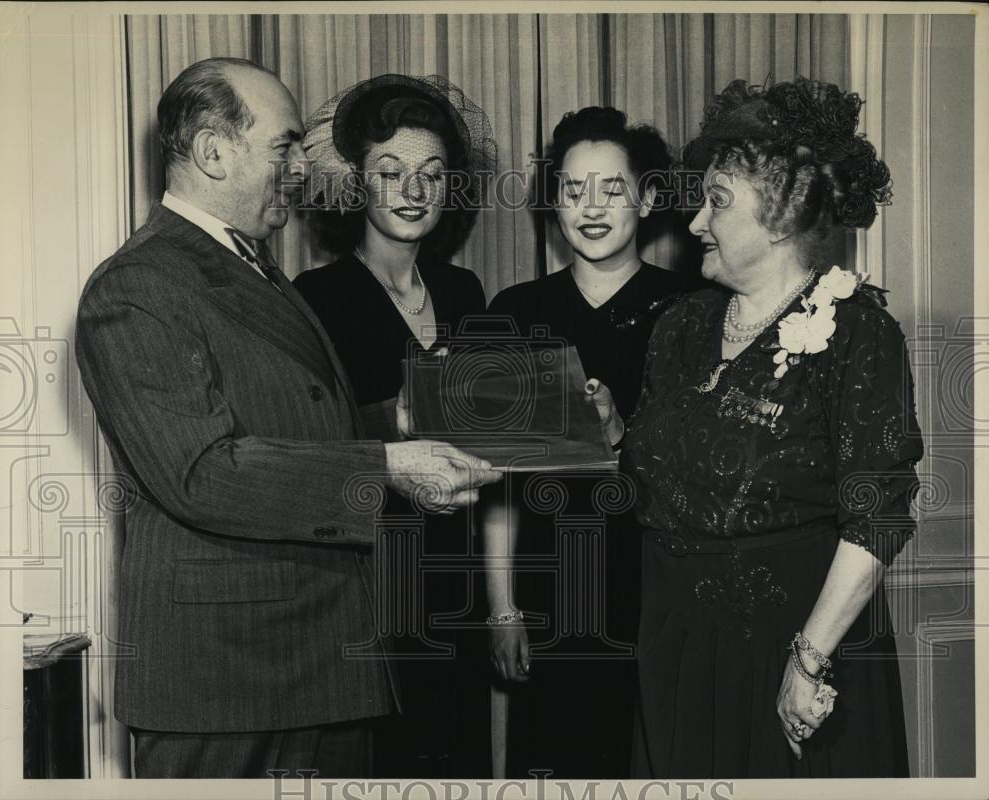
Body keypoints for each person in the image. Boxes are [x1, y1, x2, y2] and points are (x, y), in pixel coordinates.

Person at [74, 57, 500, 780]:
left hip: (313, 664)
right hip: (226, 681)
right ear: (213, 151)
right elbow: (201, 473)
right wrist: (391, 466)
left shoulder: (251, 266)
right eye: (285, 146)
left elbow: (298, 431)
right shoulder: (140, 284)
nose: (303, 168)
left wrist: (396, 419)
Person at [613, 77, 923, 777]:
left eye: (716, 202)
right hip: (676, 648)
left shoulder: (858, 334)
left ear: (781, 216)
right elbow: (661, 477)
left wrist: (808, 661)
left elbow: (876, 517)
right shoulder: (679, 328)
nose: (694, 222)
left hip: (795, 656)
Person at [293, 74, 497, 777]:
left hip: (457, 572)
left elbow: (485, 433)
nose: (414, 189)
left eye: (432, 174)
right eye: (391, 171)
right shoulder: (314, 299)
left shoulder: (466, 292)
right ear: (356, 184)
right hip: (365, 583)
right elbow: (304, 449)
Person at [482, 107, 692, 777]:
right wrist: (502, 607)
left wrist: (617, 435)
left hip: (664, 594)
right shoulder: (514, 313)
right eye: (573, 191)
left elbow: (706, 480)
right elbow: (496, 484)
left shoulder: (693, 310)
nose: (590, 208)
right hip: (550, 593)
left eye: (611, 189)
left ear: (649, 197)